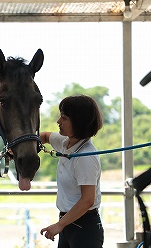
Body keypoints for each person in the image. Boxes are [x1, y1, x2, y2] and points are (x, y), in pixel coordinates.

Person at [40, 94, 104, 248]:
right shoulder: (65, 143)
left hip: (84, 228)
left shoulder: (86, 156)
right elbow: (45, 136)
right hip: (68, 223)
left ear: (78, 122)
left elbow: (87, 200)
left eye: (64, 118)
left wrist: (59, 225)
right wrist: (22, 148)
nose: (58, 121)